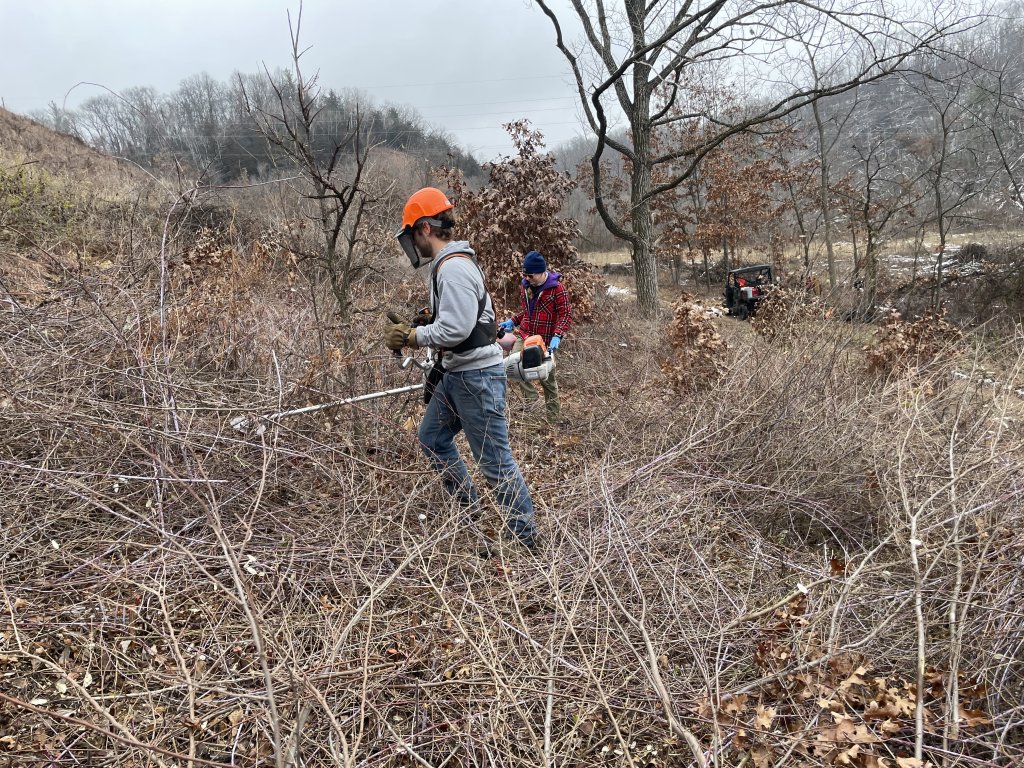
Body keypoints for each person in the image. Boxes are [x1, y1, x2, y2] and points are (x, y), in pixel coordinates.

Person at [384, 187, 539, 552]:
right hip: (457, 374)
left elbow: (455, 330)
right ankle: (472, 515)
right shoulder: (450, 265)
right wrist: (427, 320)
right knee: (432, 438)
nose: (412, 244)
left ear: (424, 228)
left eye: (411, 234)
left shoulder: (452, 268)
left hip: (476, 378)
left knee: (496, 463)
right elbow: (461, 321)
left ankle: (528, 544)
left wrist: (413, 335)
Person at [498, 250, 573, 424]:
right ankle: (531, 397)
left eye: (530, 275)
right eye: (525, 274)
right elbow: (527, 311)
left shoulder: (557, 289)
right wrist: (513, 321)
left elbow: (566, 315)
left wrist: (557, 335)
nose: (527, 278)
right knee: (511, 366)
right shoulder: (526, 287)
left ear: (541, 272)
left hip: (545, 340)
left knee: (547, 380)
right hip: (525, 335)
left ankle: (552, 421)